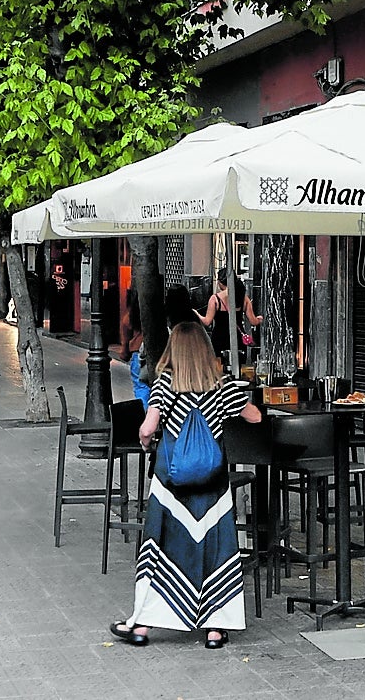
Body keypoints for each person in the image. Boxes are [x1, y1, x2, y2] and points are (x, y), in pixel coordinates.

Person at [111, 322, 263, 648]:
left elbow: (148, 428)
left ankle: (142, 626)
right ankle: (215, 628)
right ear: (205, 350)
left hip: (171, 485)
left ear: (174, 350)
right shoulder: (222, 386)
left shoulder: (164, 385)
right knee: (216, 548)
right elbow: (255, 418)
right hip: (213, 483)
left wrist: (147, 444)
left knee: (161, 549)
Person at [198, 267, 261, 367]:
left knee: (219, 367)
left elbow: (207, 321)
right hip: (237, 338)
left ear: (219, 282)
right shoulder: (243, 298)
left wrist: (196, 314)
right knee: (238, 367)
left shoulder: (215, 299)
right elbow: (253, 321)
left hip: (219, 338)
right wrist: (260, 319)